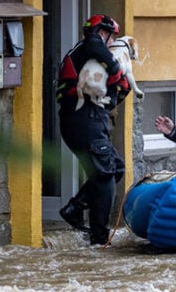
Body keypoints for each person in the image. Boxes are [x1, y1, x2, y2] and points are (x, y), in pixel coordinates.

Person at [56, 14, 131, 245]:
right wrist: (116, 68)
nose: (112, 43)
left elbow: (120, 89)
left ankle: (76, 208)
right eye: (111, 37)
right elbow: (94, 44)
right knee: (106, 174)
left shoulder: (89, 57)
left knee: (115, 168)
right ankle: (100, 237)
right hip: (83, 119)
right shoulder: (88, 46)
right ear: (102, 32)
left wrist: (117, 89)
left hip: (90, 120)